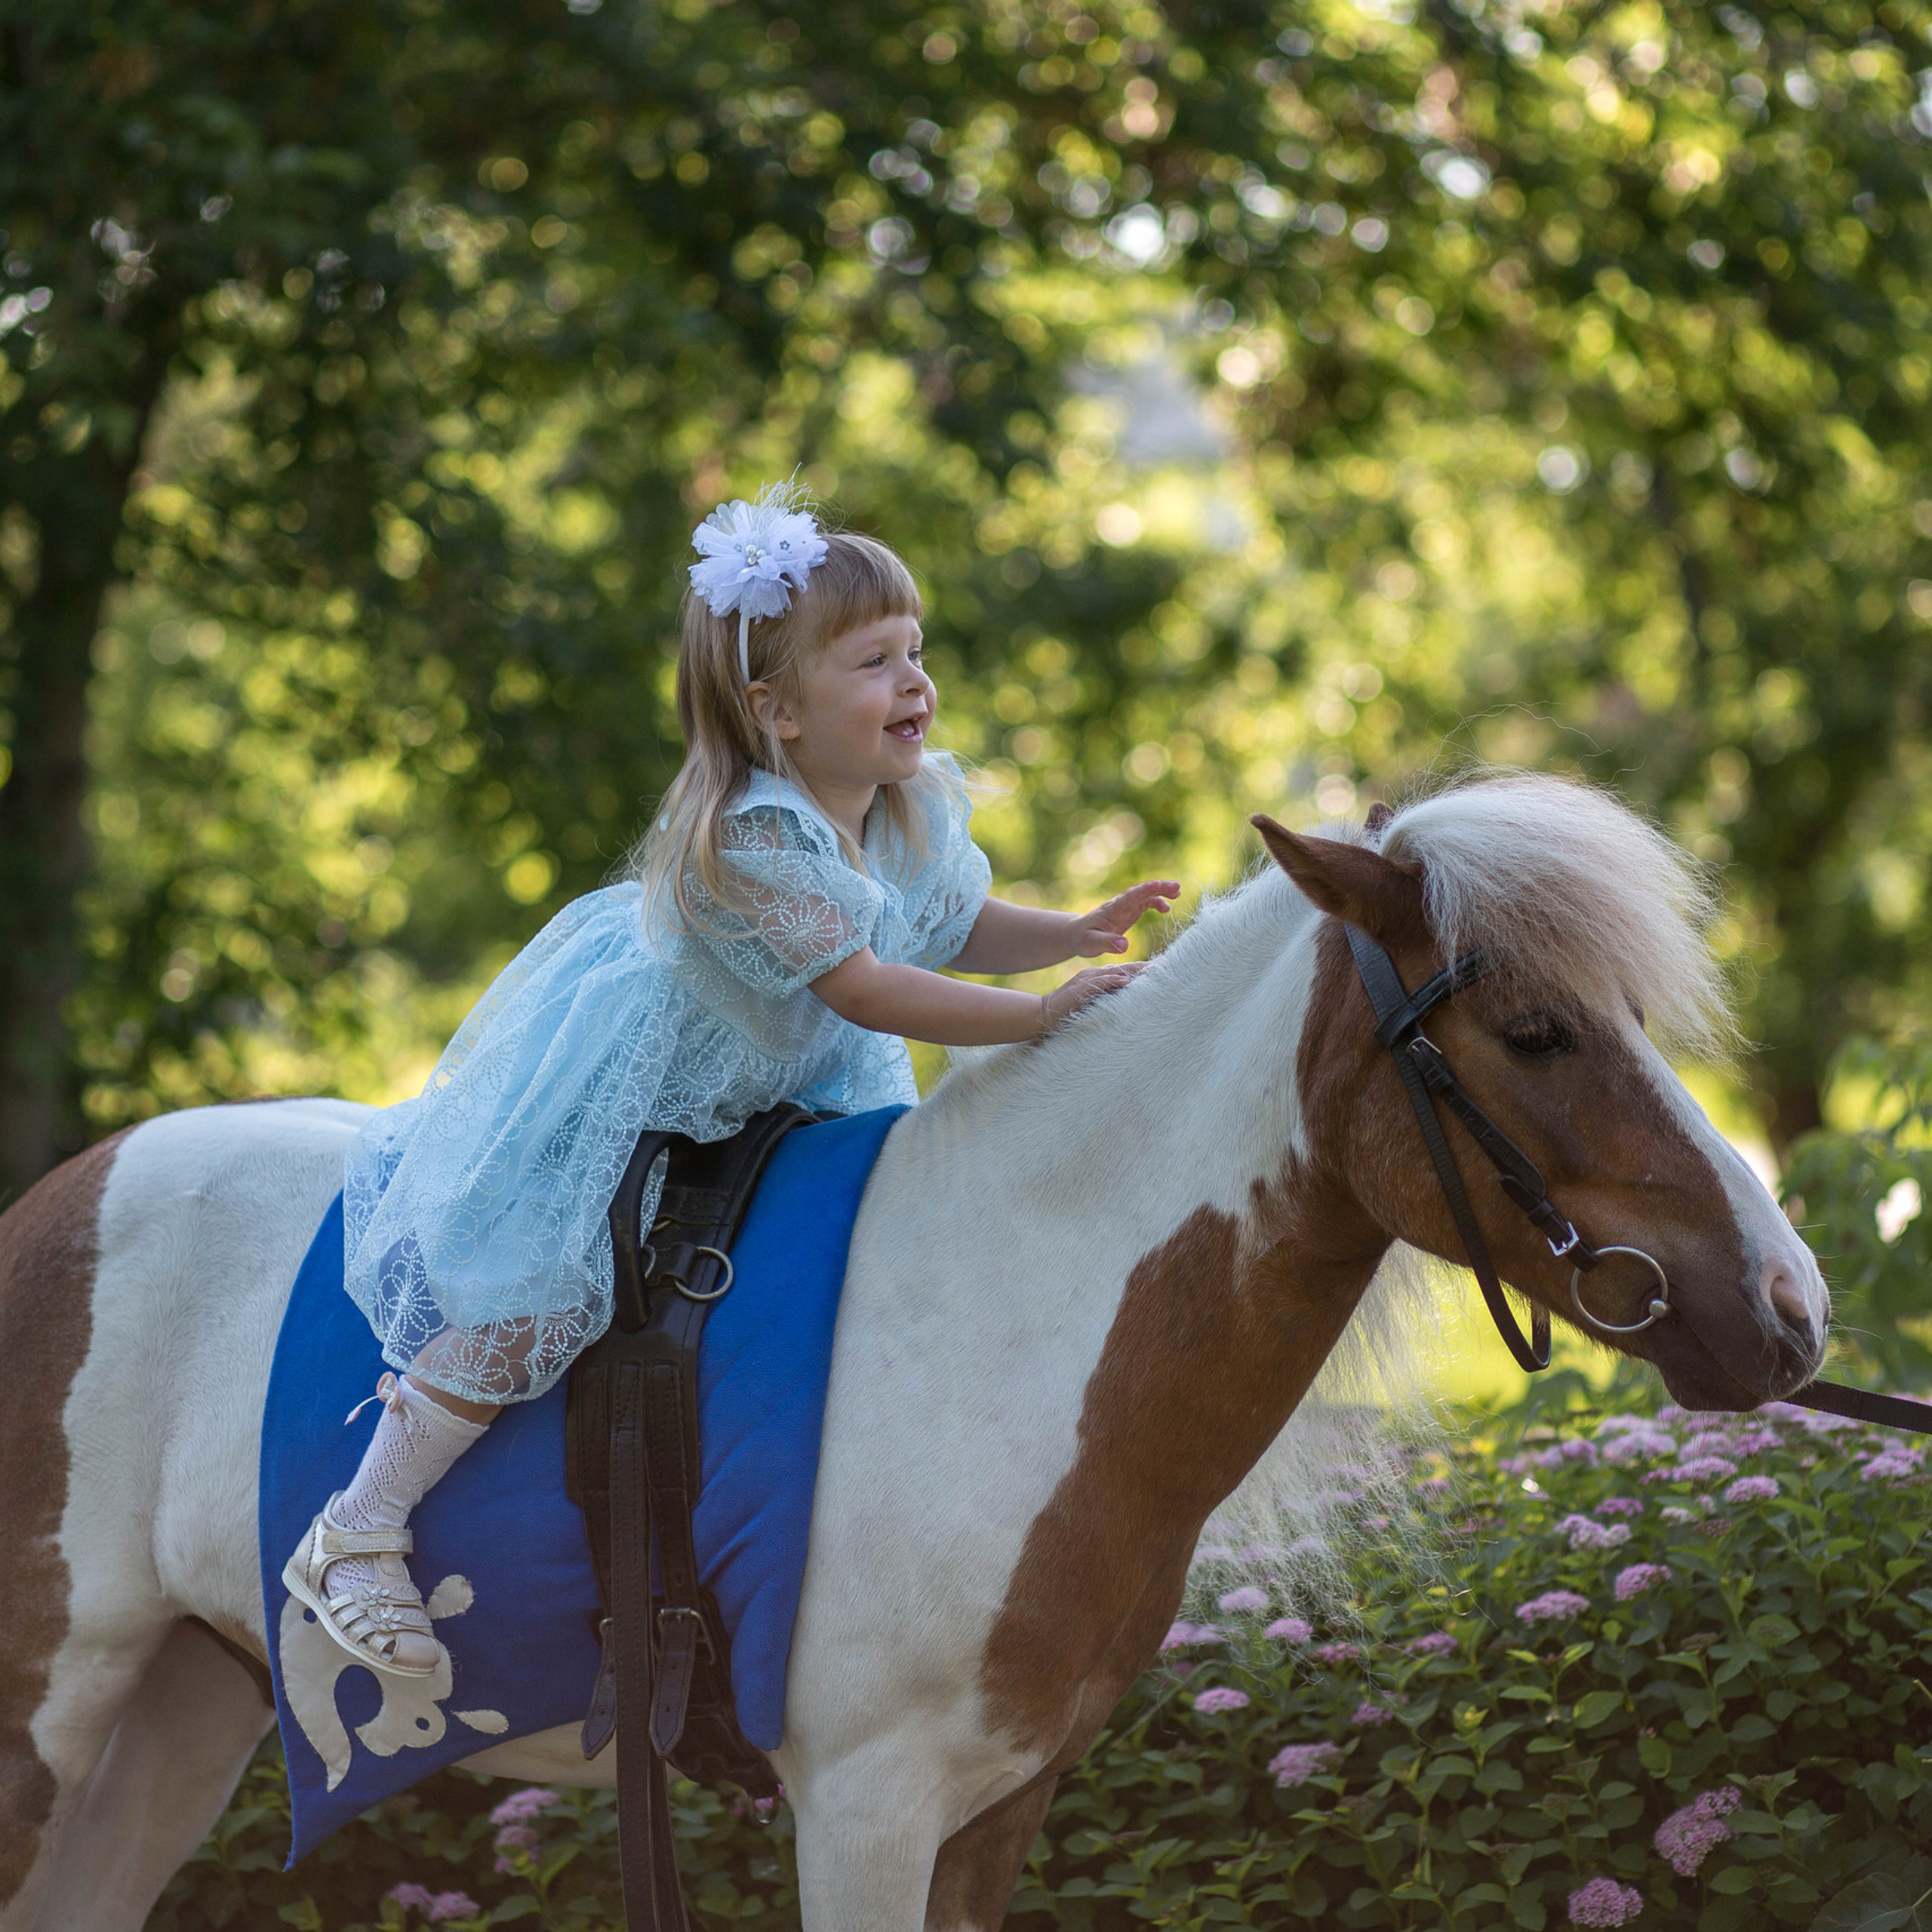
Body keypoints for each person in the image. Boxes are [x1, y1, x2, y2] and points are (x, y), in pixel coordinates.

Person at [285, 483, 1180, 1675]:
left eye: (916, 651)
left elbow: (951, 922)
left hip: (799, 1086)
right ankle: (359, 1527)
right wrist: (1039, 1018)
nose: (915, 682)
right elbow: (867, 987)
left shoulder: (905, 807)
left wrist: (1069, 933)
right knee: (538, 1301)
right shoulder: (756, 837)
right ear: (777, 710)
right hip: (659, 1080)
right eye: (874, 661)